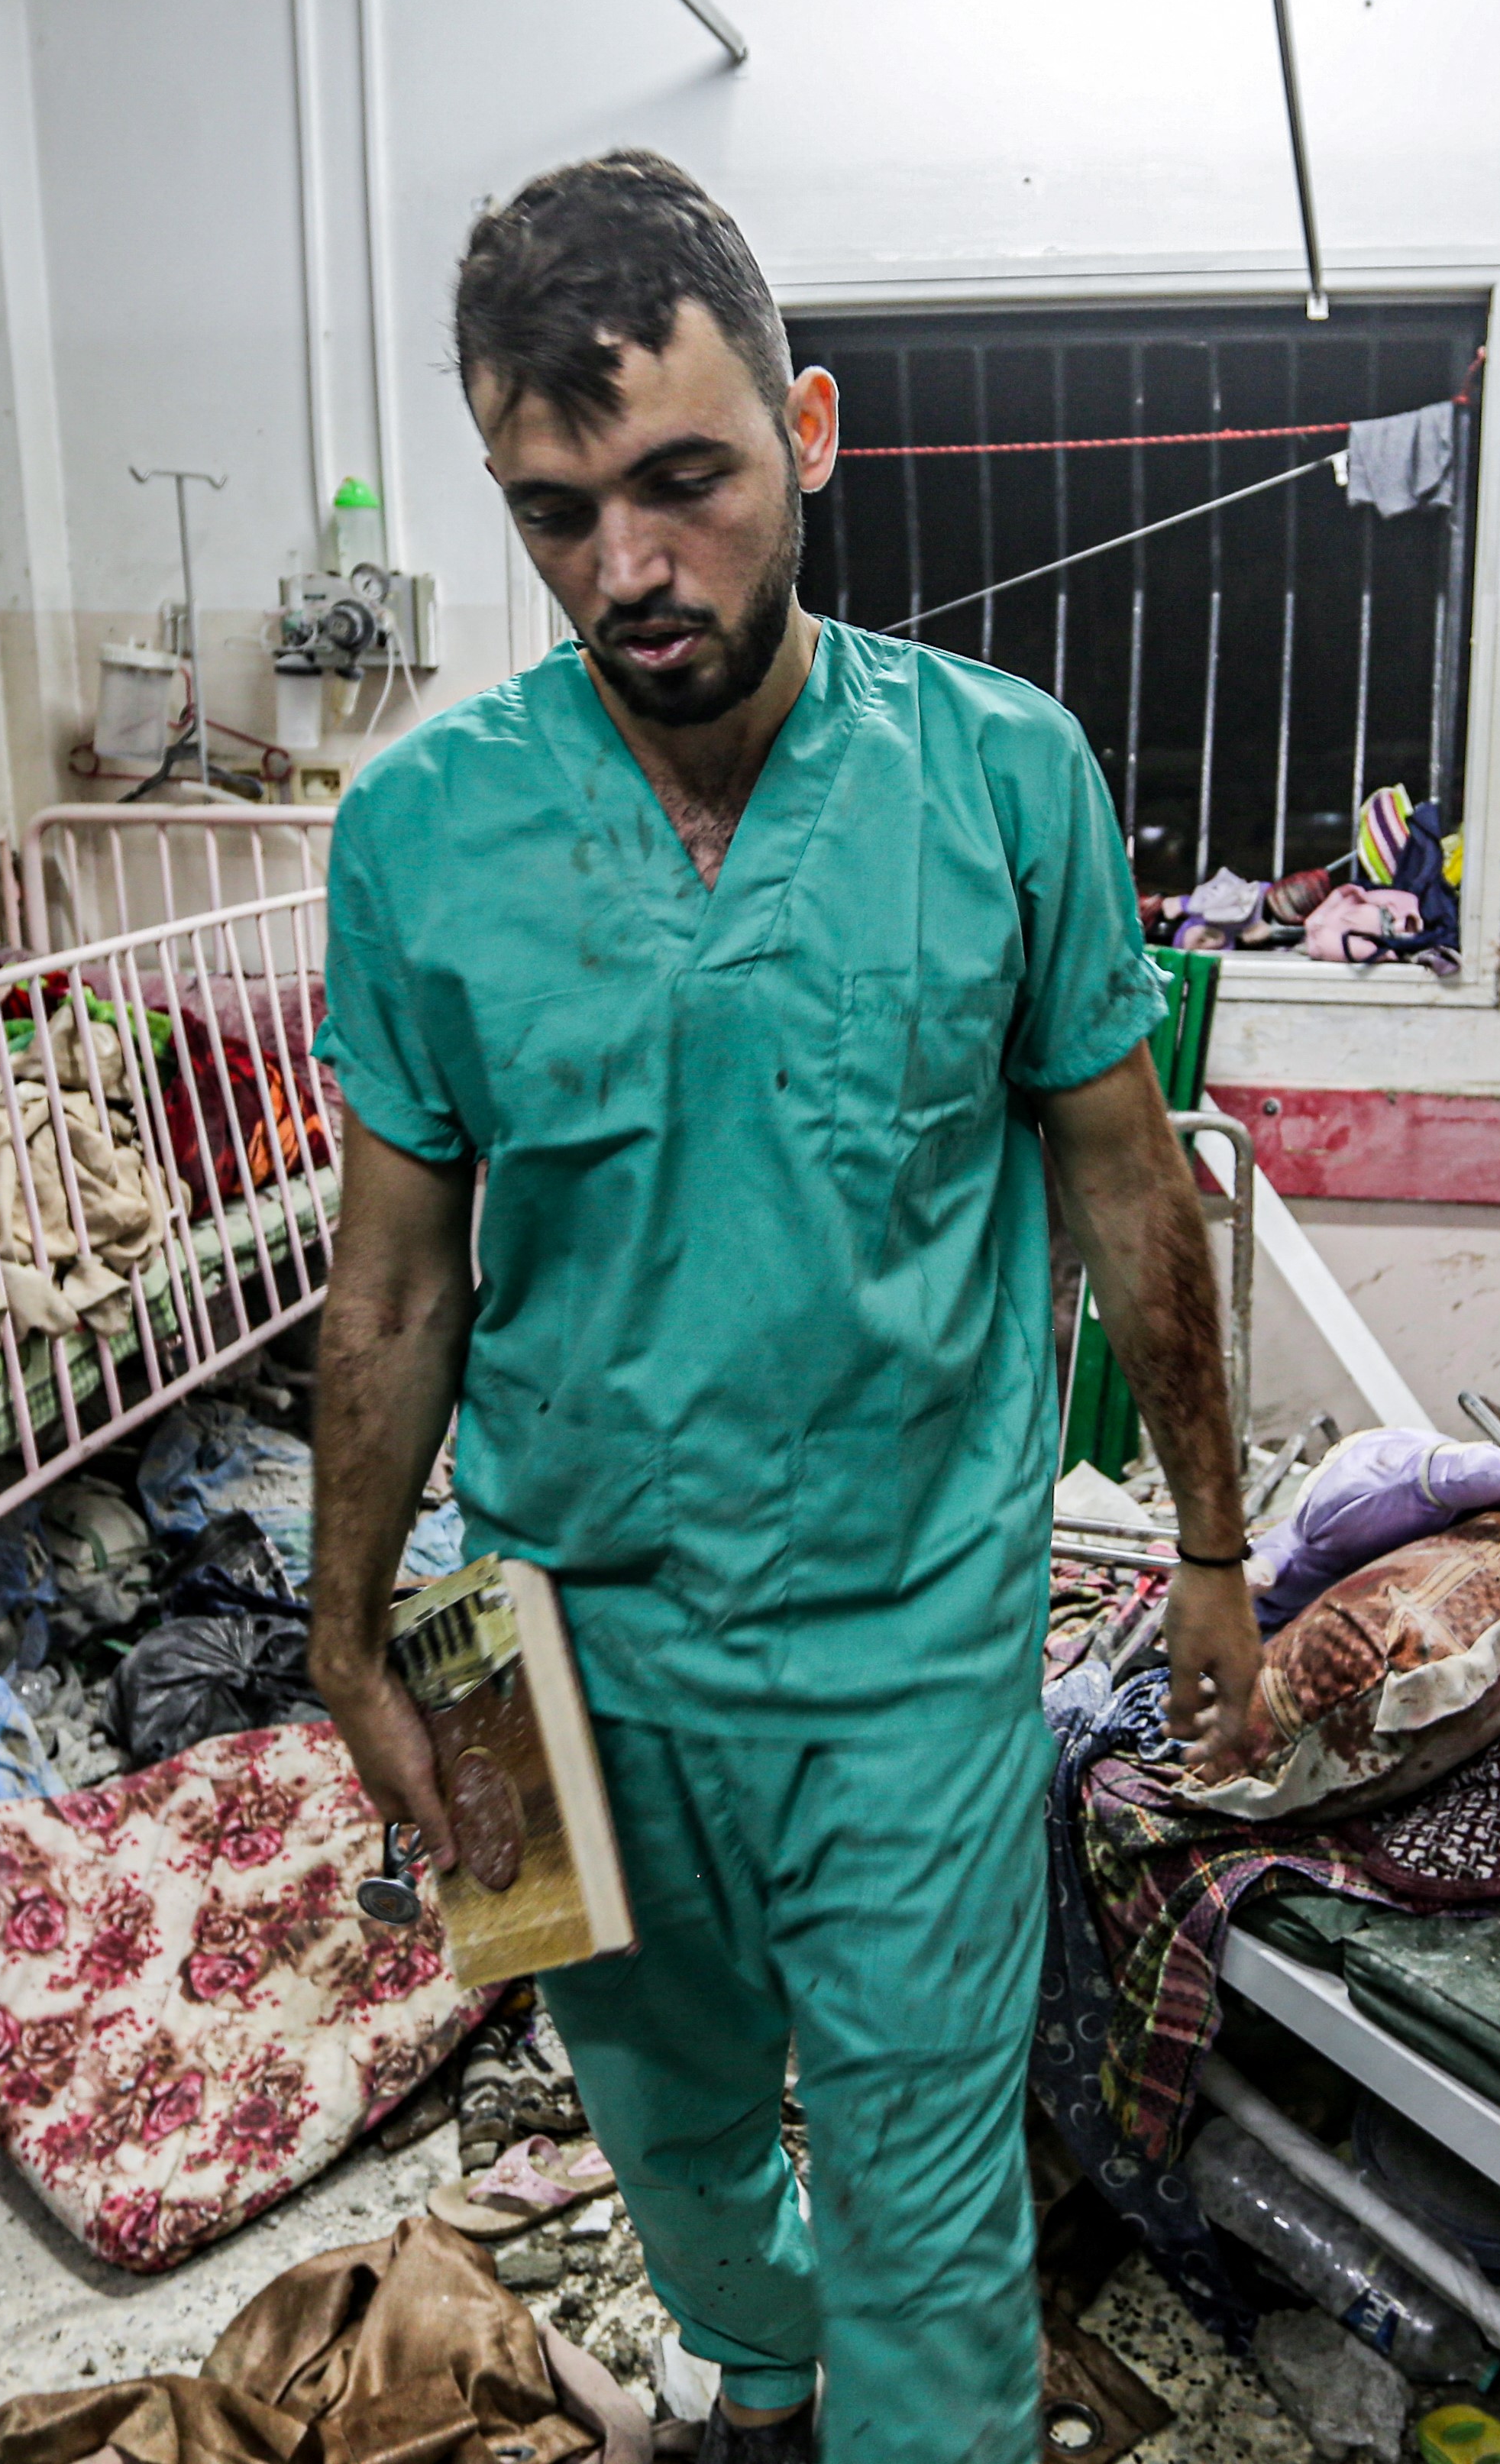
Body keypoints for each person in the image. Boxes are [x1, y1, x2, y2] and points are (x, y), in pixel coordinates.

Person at [305, 148, 1259, 2463]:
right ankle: (758, 2366)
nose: (626, 570)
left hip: (906, 1638)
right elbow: (399, 1275)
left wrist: (1217, 1549)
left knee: (936, 2211)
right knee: (667, 2131)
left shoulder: (1003, 783)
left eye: (682, 482)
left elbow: (1132, 1187)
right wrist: (345, 1628)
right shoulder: (420, 832)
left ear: (809, 433)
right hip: (546, 1637)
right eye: (554, 514)